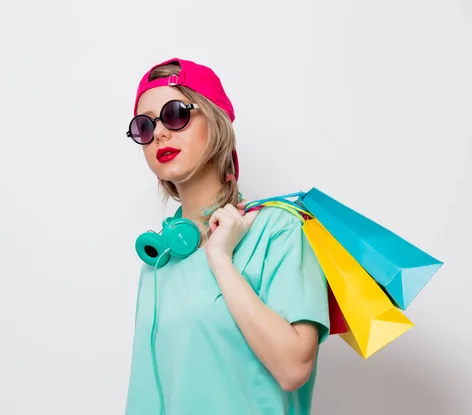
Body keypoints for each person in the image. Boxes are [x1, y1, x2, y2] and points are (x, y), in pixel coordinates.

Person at [124, 57, 330, 415]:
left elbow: (294, 368)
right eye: (144, 125)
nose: (159, 133)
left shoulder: (278, 230)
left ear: (215, 120)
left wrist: (220, 259)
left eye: (175, 114)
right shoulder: (161, 256)